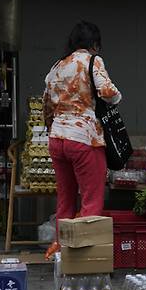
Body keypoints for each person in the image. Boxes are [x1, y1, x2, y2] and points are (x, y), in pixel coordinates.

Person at [43, 21, 121, 258]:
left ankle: (62, 254)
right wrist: (117, 99)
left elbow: (46, 102)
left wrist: (54, 128)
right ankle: (86, 260)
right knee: (91, 200)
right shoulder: (91, 61)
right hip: (84, 138)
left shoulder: (57, 66)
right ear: (94, 44)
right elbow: (108, 92)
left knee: (65, 199)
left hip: (57, 138)